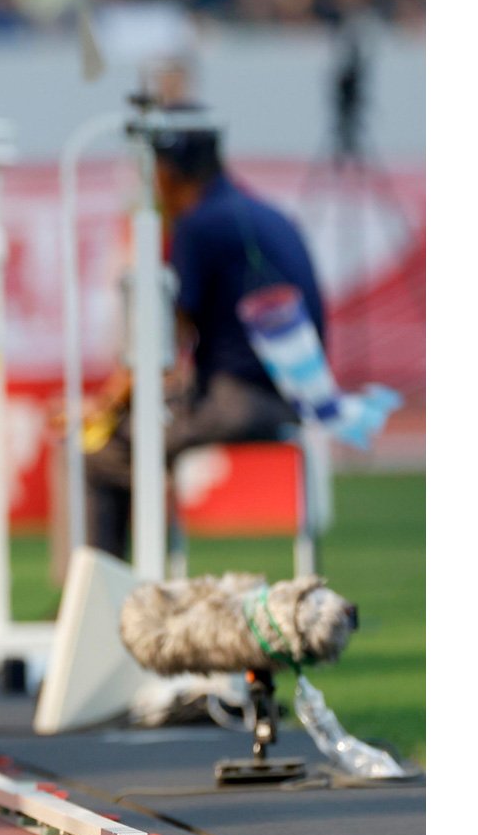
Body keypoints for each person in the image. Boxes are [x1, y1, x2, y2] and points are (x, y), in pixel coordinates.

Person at [82, 109, 324, 558]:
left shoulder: (197, 224)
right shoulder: (266, 213)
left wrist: (107, 405)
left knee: (102, 453)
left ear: (168, 173)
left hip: (240, 400)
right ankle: (129, 588)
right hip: (295, 396)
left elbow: (159, 346)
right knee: (139, 436)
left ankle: (109, 601)